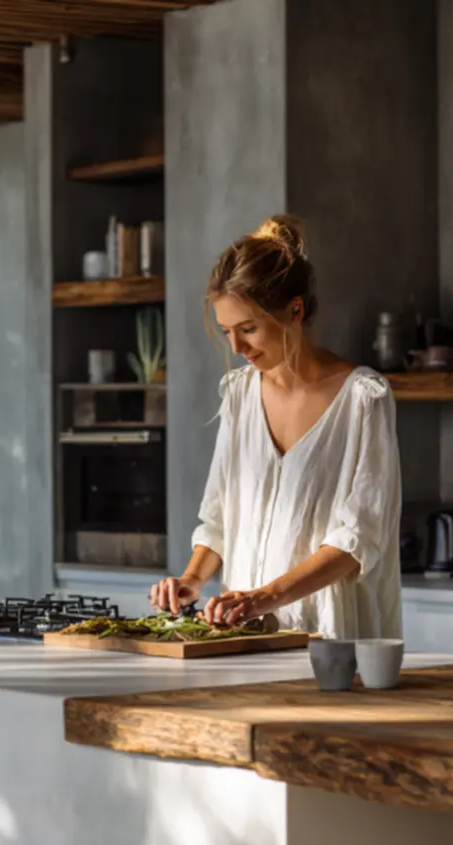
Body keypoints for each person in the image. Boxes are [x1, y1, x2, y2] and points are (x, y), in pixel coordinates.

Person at [149, 215, 403, 639]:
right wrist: (192, 579)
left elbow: (361, 538)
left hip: (330, 639)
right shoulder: (238, 396)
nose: (236, 347)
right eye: (227, 331)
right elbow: (218, 519)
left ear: (295, 310)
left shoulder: (363, 398)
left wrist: (263, 597)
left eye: (248, 329)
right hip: (244, 636)